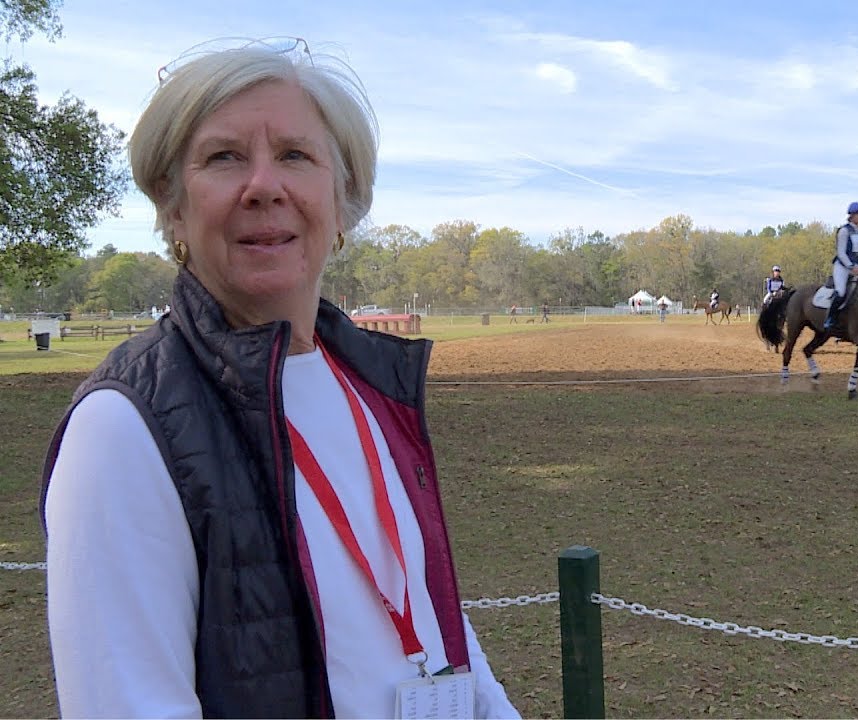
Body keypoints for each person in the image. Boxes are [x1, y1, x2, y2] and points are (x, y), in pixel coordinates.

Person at [41, 39, 520, 719]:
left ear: (344, 199)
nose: (265, 185)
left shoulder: (371, 387)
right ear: (172, 206)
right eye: (224, 157)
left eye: (295, 155)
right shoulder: (122, 428)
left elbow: (424, 609)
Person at [823, 201, 858, 330]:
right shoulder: (844, 231)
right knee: (841, 292)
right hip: (842, 267)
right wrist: (851, 266)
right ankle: (830, 318)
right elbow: (841, 253)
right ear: (852, 215)